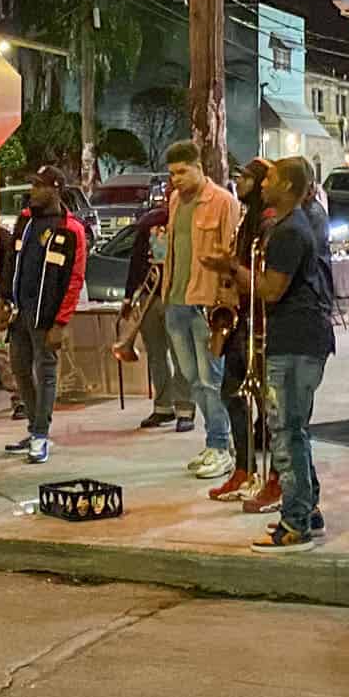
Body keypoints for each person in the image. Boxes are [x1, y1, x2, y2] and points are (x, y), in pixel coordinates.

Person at [243, 154, 335, 552]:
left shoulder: (290, 232)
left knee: (286, 432)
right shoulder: (286, 226)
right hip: (298, 340)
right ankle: (307, 507)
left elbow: (270, 289)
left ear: (289, 188)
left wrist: (233, 270)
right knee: (294, 430)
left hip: (296, 342)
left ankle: (295, 522)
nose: (263, 184)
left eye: (272, 179)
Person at [160, 139, 242, 482]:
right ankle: (215, 442)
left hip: (206, 305)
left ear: (198, 167)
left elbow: (232, 257)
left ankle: (221, 445)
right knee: (193, 381)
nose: (176, 179)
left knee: (211, 380)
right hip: (175, 301)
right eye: (172, 174)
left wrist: (224, 304)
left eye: (181, 172)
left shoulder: (223, 202)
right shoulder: (176, 201)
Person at [0, 169, 86, 465]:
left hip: (46, 314)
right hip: (21, 311)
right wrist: (4, 298)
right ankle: (34, 428)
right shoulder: (25, 221)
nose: (32, 190)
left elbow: (74, 278)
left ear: (55, 190)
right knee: (20, 369)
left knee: (45, 373)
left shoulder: (70, 229)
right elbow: (12, 261)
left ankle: (42, 435)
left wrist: (61, 321)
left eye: (38, 185)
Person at [211, 157, 277, 509]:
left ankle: (275, 478)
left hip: (265, 324)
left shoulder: (269, 223)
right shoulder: (245, 220)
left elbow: (267, 276)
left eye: (247, 178)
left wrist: (232, 268)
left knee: (272, 406)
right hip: (241, 318)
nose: (241, 182)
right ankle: (244, 467)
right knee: (231, 392)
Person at [122, 191, 183, 430]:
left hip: (178, 296)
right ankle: (163, 406)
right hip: (150, 294)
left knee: (181, 355)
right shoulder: (150, 221)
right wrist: (128, 297)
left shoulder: (192, 222)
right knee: (156, 354)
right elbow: (136, 261)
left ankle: (185, 407)